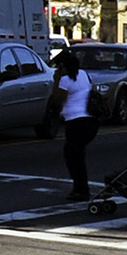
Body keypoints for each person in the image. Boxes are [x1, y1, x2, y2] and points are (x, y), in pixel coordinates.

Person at [48, 48, 99, 201]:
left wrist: (56, 79)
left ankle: (81, 189)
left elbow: (57, 99)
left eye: (59, 67)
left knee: (73, 157)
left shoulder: (64, 80)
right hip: (90, 121)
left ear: (64, 66)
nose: (58, 69)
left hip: (76, 123)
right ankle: (81, 188)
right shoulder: (83, 74)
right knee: (77, 155)